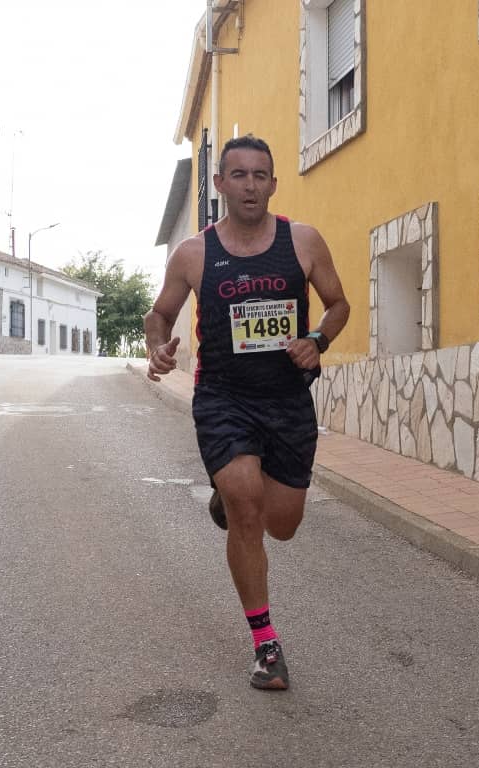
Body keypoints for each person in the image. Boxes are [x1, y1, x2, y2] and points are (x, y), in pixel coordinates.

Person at [143, 134, 350, 690]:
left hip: (287, 401)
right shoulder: (194, 253)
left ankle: (235, 498)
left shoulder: (302, 241)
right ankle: (266, 644)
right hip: (223, 399)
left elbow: (338, 304)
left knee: (282, 524)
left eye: (260, 175)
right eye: (239, 175)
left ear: (273, 184)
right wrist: (158, 347)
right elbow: (159, 314)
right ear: (220, 184)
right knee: (246, 505)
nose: (250, 185)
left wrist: (317, 339)